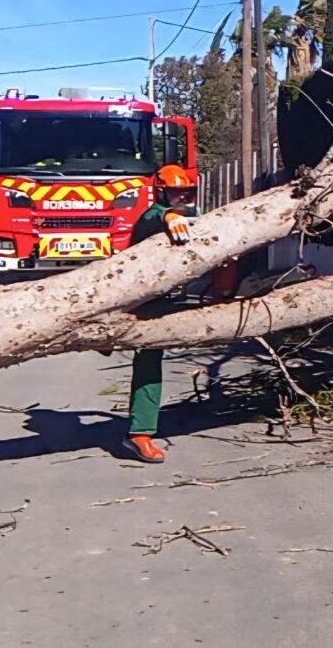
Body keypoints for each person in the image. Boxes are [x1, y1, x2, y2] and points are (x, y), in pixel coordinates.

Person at [121, 164, 237, 464]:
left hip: (177, 297)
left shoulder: (192, 219)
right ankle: (140, 433)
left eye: (186, 191)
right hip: (144, 302)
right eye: (175, 191)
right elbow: (149, 220)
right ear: (162, 191)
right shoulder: (156, 217)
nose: (182, 196)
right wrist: (168, 215)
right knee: (149, 359)